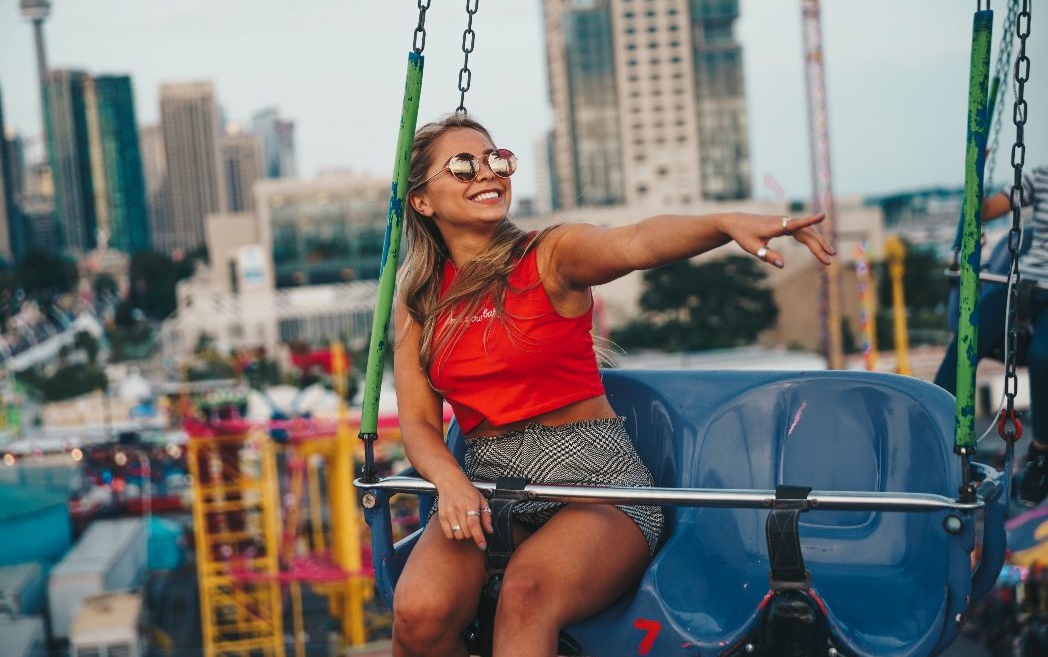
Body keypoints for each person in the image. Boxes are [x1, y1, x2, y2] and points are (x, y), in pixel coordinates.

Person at [389, 113, 836, 657]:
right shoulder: (418, 302)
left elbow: (635, 242)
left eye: (496, 159)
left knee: (526, 597)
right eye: (463, 165)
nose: (487, 172)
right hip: (484, 484)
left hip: (595, 484)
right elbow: (416, 422)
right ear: (422, 201)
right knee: (416, 616)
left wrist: (722, 224)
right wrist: (450, 482)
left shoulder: (550, 255)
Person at [933, 165, 1048, 504]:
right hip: (1025, 280)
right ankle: (936, 424)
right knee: (968, 339)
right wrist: (975, 171)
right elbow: (985, 210)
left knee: (1044, 358)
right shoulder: (1042, 176)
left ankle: (1040, 455)